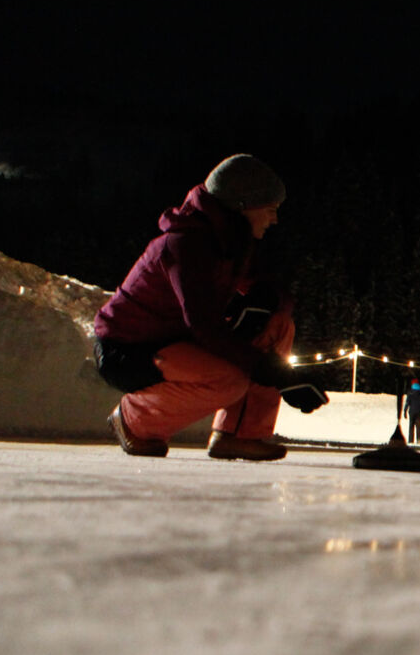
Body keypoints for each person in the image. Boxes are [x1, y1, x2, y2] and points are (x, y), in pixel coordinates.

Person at [92, 154, 327, 461]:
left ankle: (239, 434)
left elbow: (265, 289)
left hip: (178, 341)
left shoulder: (228, 242)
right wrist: (275, 373)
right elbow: (203, 325)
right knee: (229, 380)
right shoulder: (185, 246)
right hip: (130, 350)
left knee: (277, 325)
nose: (274, 220)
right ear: (243, 205)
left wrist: (266, 299)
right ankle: (133, 419)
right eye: (270, 209)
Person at [400, 379, 420, 444]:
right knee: (418, 425)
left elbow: (407, 402)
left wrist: (405, 411)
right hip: (419, 412)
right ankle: (418, 439)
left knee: (411, 426)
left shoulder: (410, 392)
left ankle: (410, 440)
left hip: (412, 412)